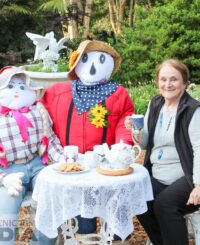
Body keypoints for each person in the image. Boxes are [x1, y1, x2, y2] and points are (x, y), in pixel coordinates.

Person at [125, 59, 200, 245]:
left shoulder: (194, 111)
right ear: (158, 82)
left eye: (174, 79)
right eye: (163, 79)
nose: (168, 84)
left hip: (190, 176)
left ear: (185, 83)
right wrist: (136, 131)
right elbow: (146, 143)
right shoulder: (155, 104)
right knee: (137, 197)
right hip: (159, 173)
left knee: (165, 204)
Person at [41, 40, 134, 244]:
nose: (92, 66)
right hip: (73, 166)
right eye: (86, 59)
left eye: (101, 60)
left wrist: (121, 147)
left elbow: (124, 122)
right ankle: (84, 237)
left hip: (107, 165)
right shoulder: (58, 92)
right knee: (82, 208)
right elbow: (40, 115)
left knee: (114, 204)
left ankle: (116, 237)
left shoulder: (118, 93)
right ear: (76, 63)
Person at [0, 66, 64, 245]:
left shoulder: (38, 112)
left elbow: (50, 141)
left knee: (52, 203)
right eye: (10, 86)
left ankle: (41, 242)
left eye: (22, 87)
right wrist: (3, 179)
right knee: (4, 215)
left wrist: (64, 159)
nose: (17, 92)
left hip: (37, 166)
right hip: (8, 171)